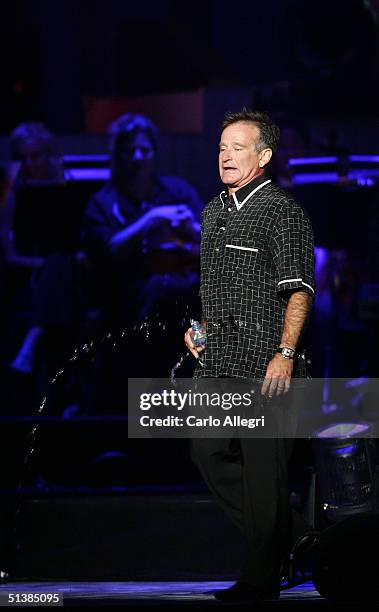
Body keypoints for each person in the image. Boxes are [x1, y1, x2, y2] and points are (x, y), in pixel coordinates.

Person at [184, 109, 314, 603]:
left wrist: (285, 353)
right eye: (221, 147)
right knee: (206, 450)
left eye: (238, 147)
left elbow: (300, 290)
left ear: (263, 156)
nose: (226, 156)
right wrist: (198, 329)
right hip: (217, 360)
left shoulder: (283, 212)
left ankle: (261, 579)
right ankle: (296, 533)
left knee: (264, 472)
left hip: (266, 364)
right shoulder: (212, 211)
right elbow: (215, 291)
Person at [83, 113, 202, 385]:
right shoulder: (102, 201)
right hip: (129, 294)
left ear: (154, 153)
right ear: (117, 155)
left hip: (186, 288)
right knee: (162, 297)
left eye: (144, 150)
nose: (138, 157)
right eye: (130, 151)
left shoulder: (177, 192)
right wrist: (152, 218)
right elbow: (108, 250)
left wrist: (193, 230)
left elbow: (208, 242)